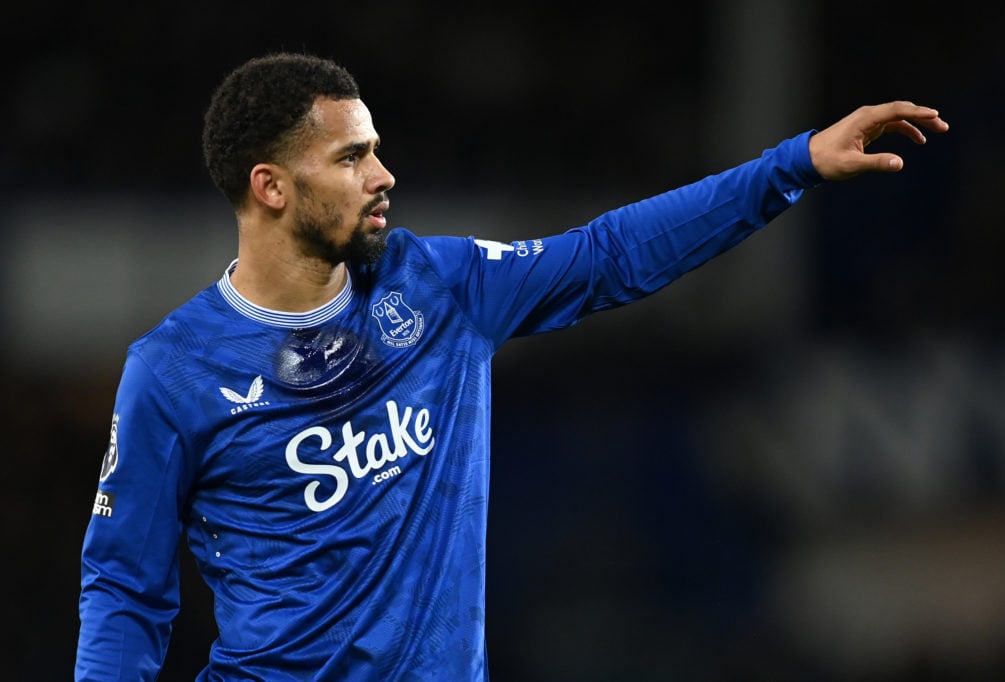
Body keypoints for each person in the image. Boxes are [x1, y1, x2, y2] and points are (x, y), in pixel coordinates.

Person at [75, 51, 949, 681]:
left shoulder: (439, 285)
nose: (383, 175)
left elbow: (607, 254)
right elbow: (124, 588)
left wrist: (790, 165)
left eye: (375, 148)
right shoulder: (173, 371)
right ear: (271, 187)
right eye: (351, 157)